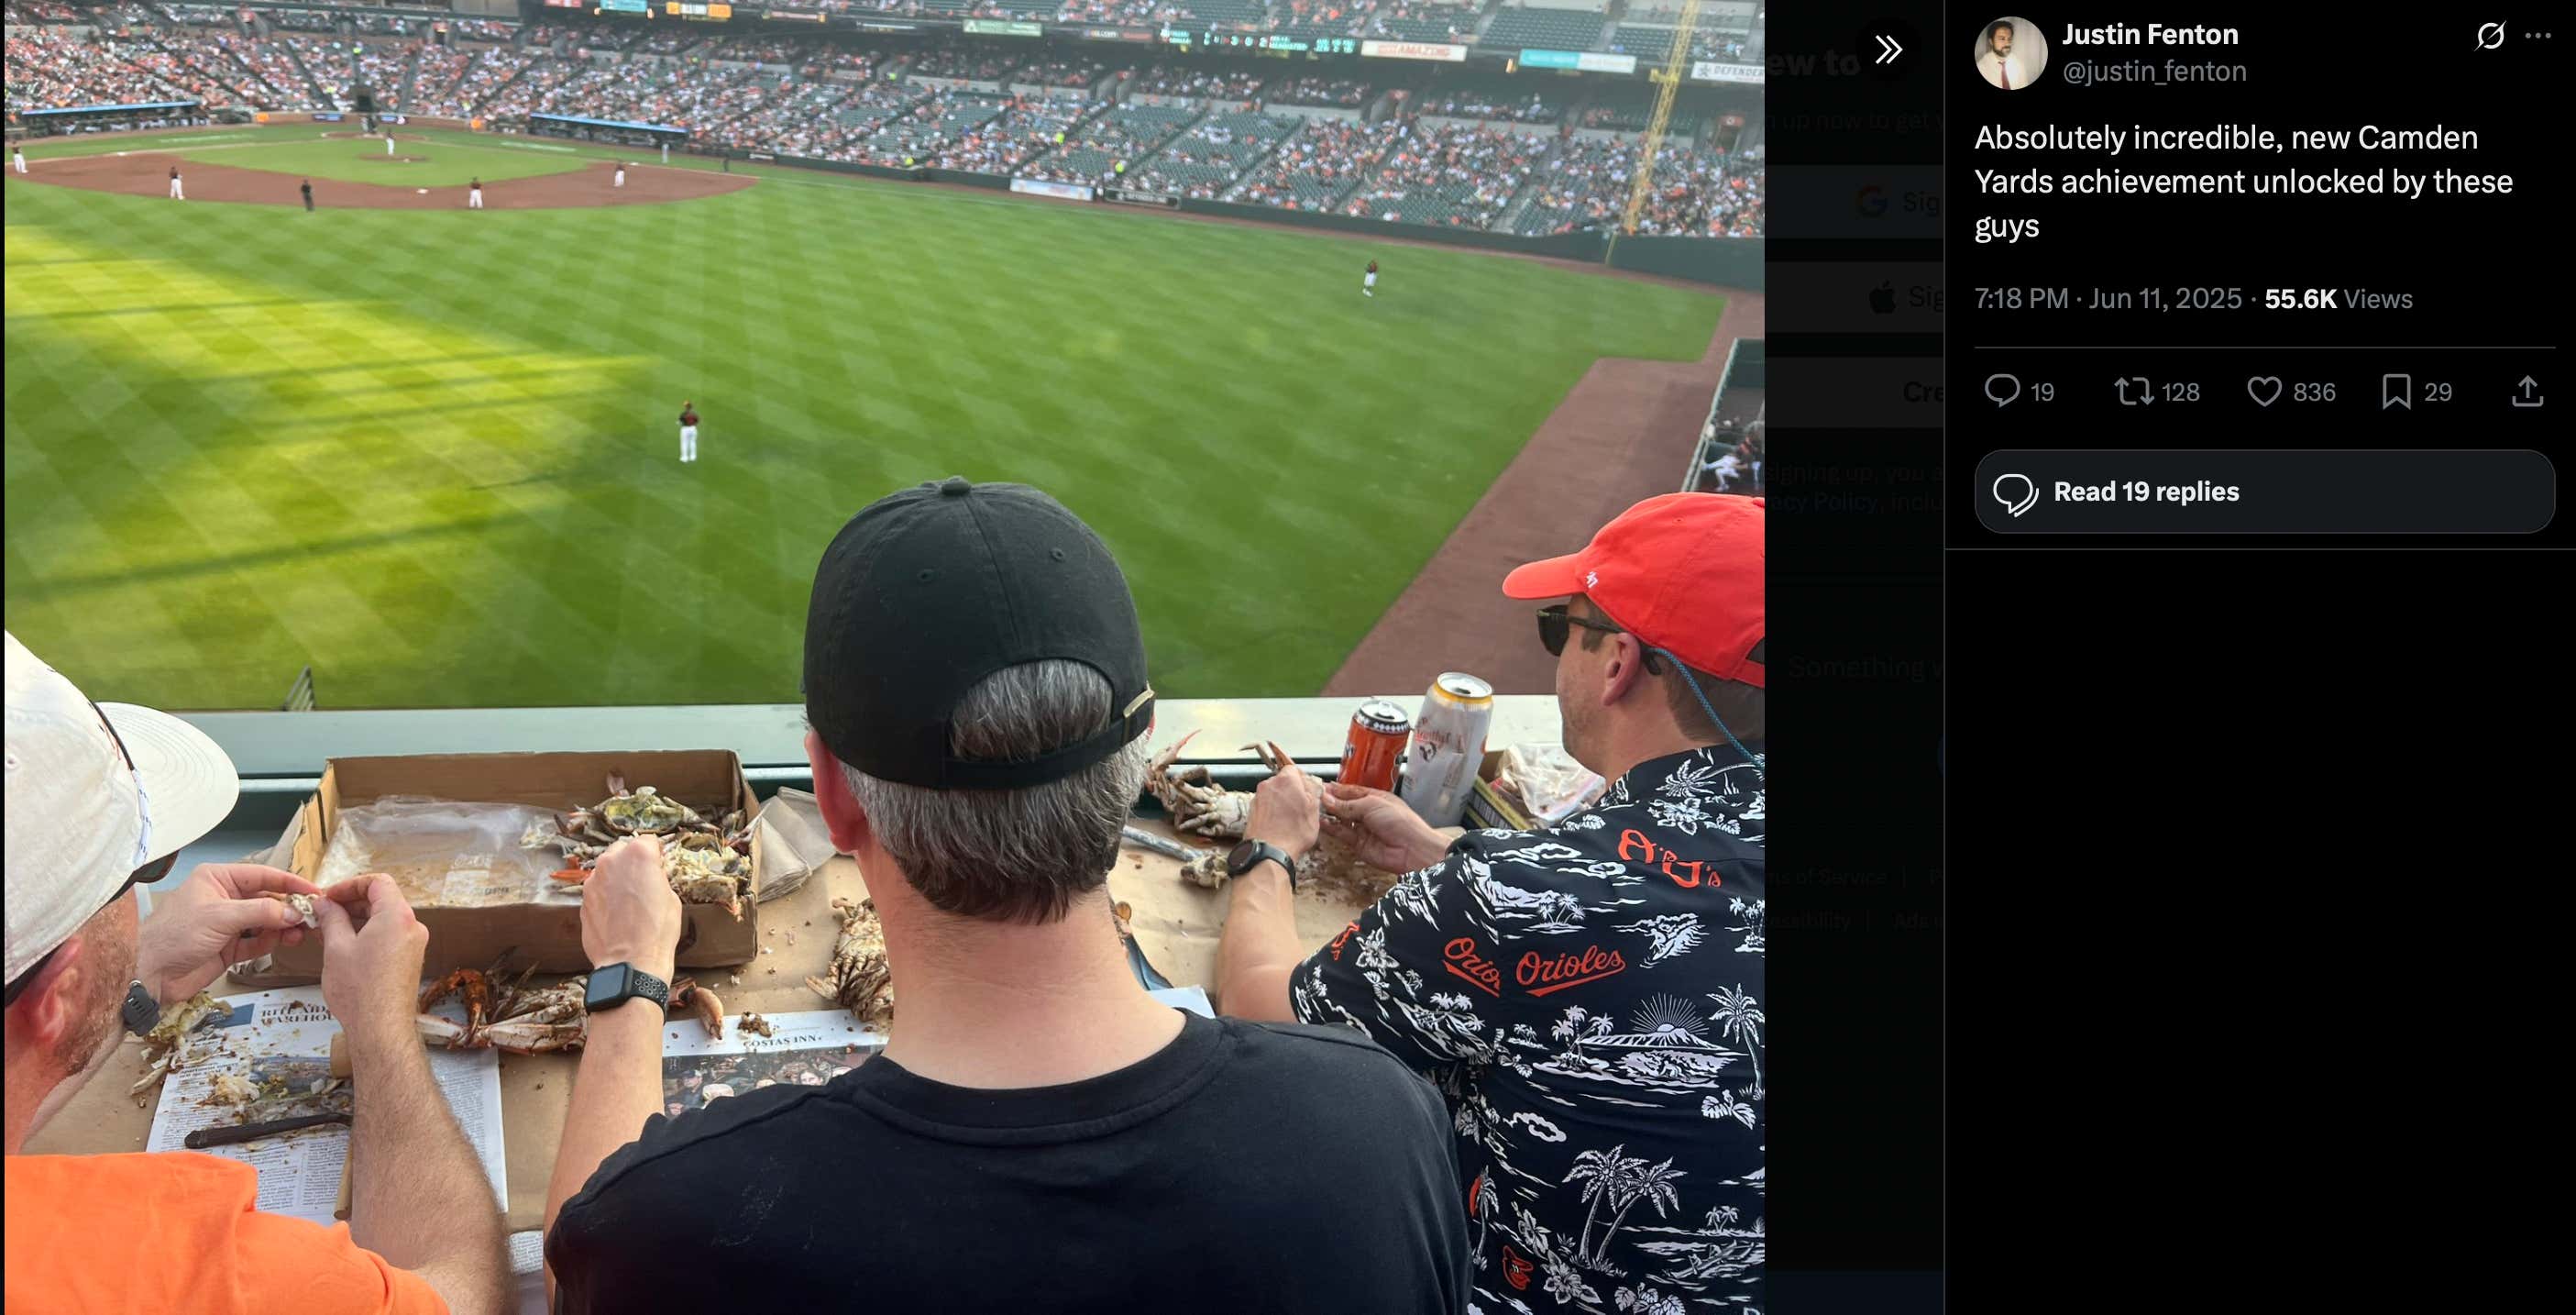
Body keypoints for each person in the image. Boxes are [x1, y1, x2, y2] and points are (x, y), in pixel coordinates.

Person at [545, 479, 1469, 1310]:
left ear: (829, 794)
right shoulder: (1381, 1125)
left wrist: (628, 981)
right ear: (1135, 768)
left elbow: (577, 1258)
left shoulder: (680, 1224)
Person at [1213, 492, 1767, 1315]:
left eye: (1561, 626)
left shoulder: (1520, 894)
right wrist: (1451, 852)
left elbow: (1265, 1015)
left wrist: (1271, 851)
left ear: (1617, 662)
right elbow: (1683, 896)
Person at [3, 633, 510, 1315]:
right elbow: (461, 1297)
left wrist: (141, 972)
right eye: (141, 869)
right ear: (57, 990)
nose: (149, 893)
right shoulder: (182, 1268)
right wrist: (379, 1024)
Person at [1977, 18, 2039, 89]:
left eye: (2009, 39)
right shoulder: (1982, 67)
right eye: (2002, 39)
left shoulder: (2018, 63)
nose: (2007, 43)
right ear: (1991, 41)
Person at [677, 400, 699, 464]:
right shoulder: (694, 414)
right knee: (693, 442)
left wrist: (679, 423)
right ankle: (693, 457)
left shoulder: (683, 414)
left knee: (684, 443)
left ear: (686, 407)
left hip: (685, 429)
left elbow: (679, 422)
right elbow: (697, 421)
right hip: (693, 429)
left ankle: (685, 458)